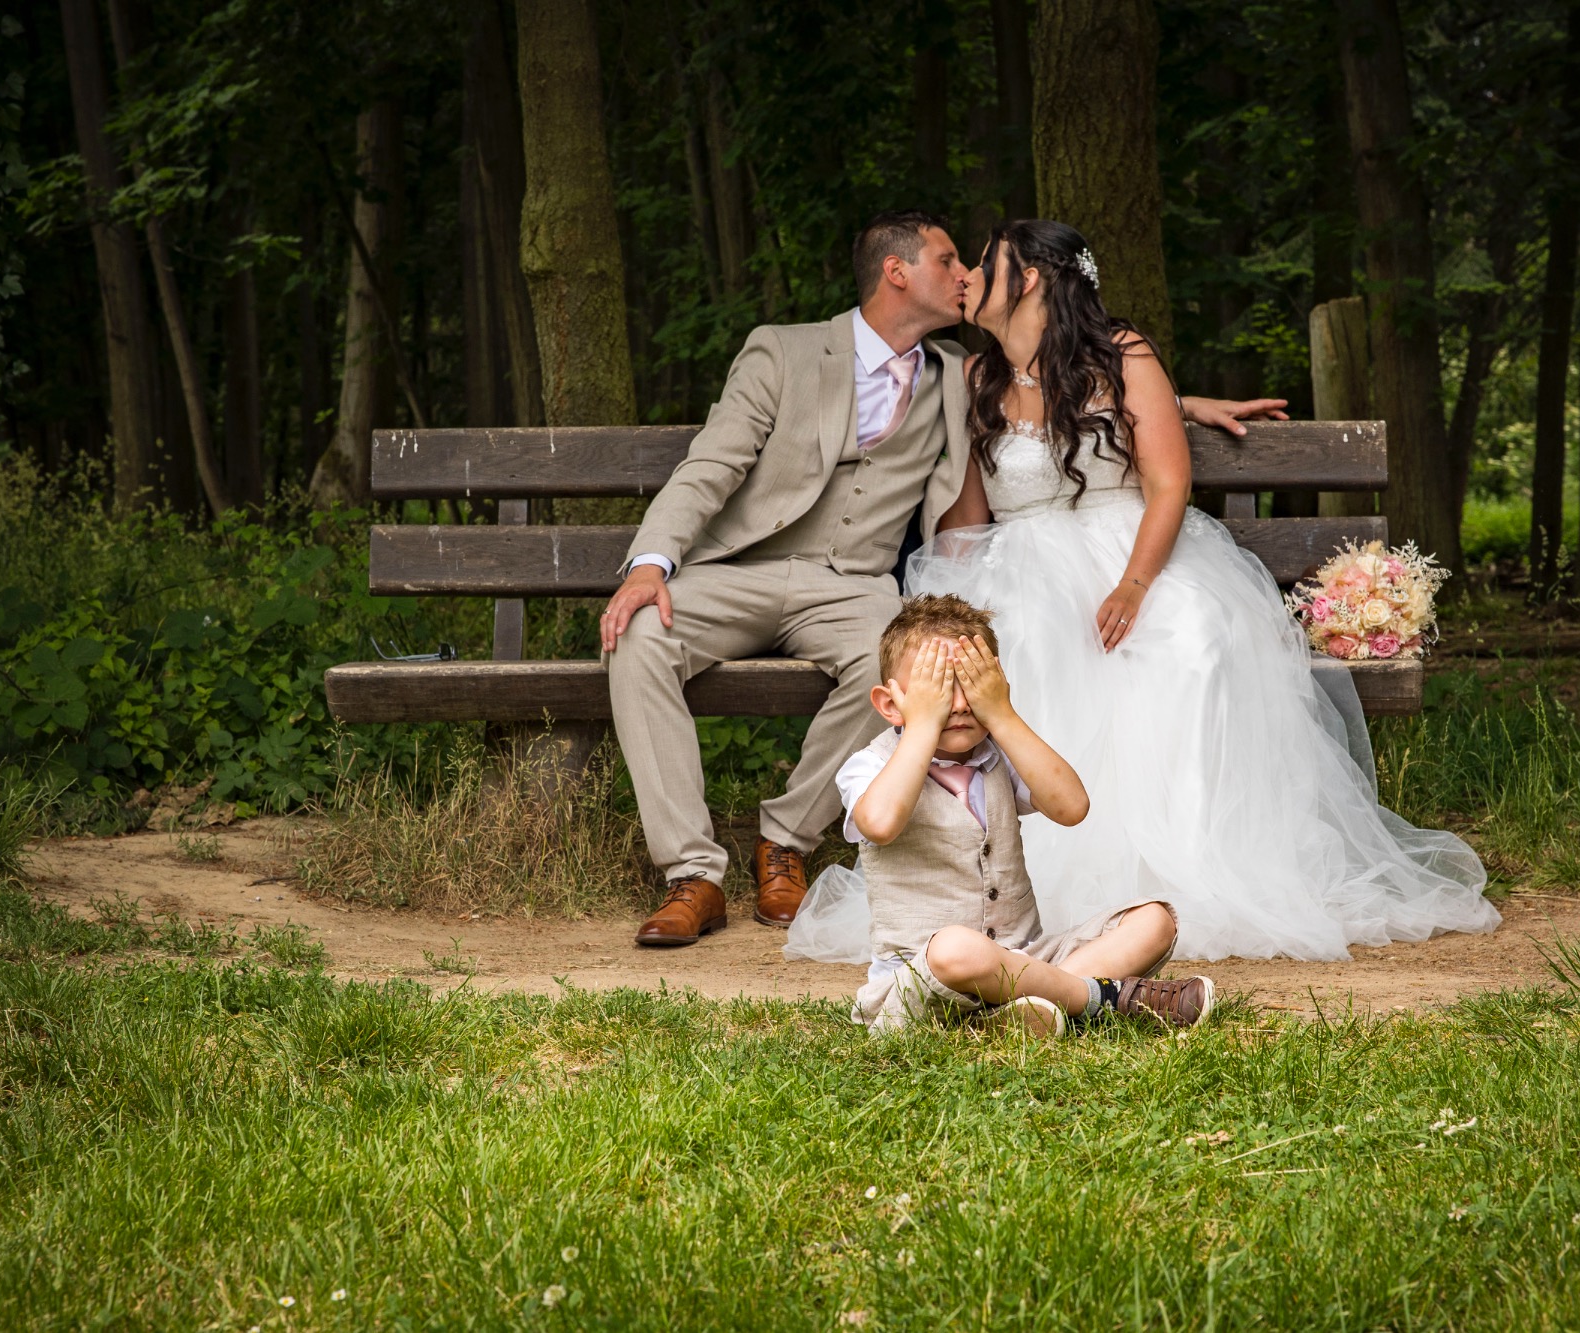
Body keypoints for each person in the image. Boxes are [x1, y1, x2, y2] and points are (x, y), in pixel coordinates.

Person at [599, 209, 1279, 947]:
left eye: (975, 263)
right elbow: (710, 464)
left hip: (853, 587)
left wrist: (1182, 405)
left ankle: (785, 840)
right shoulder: (801, 354)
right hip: (745, 570)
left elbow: (1085, 388)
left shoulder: (953, 371)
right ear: (897, 272)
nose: (965, 276)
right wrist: (649, 563)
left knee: (910, 662)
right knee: (638, 634)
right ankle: (693, 874)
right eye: (950, 260)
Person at [898, 219, 1497, 961]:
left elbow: (1168, 483)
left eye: (983, 262)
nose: (966, 275)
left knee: (1191, 636)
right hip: (1019, 566)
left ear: (1026, 279)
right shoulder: (973, 378)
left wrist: (1133, 585)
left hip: (1131, 550)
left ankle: (1189, 863)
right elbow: (967, 515)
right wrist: (945, 608)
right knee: (1021, 638)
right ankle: (1039, 879)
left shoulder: (1122, 355)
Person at [833, 594, 1215, 1035]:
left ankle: (1020, 1011)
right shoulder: (871, 766)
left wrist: (1002, 715)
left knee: (1154, 920)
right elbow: (881, 824)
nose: (958, 704)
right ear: (889, 704)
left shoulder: (999, 754)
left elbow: (1071, 807)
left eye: (972, 685)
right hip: (929, 975)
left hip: (1025, 960)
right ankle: (1097, 999)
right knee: (956, 948)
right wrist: (921, 725)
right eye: (936, 688)